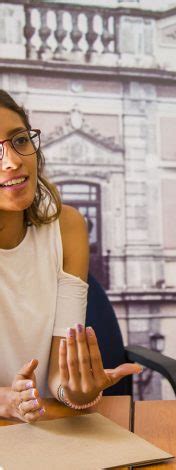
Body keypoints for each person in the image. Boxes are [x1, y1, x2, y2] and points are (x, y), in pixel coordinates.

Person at [0, 90, 141, 423]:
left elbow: (59, 377)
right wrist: (6, 401)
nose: (12, 161)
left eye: (19, 140)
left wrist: (77, 391)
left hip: (47, 428)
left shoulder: (68, 227)